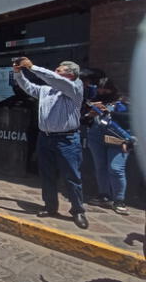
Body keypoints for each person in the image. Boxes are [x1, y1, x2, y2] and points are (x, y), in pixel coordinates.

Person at [13, 57, 88, 229]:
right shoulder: (47, 90)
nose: (55, 72)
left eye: (59, 70)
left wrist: (32, 67)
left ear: (70, 74)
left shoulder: (75, 87)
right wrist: (18, 73)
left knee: (72, 176)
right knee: (47, 174)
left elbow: (54, 79)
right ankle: (50, 206)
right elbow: (29, 88)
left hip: (67, 139)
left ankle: (78, 210)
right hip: (45, 137)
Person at [84, 78, 132, 215]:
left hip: (118, 139)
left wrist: (108, 112)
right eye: (100, 88)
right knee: (100, 167)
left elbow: (129, 118)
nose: (102, 91)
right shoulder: (94, 99)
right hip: (96, 138)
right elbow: (85, 119)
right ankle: (104, 195)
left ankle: (119, 200)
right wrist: (90, 114)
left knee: (116, 168)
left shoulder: (122, 101)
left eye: (105, 89)